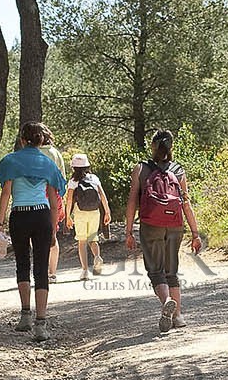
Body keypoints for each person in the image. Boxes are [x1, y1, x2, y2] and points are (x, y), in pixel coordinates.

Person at [124, 129, 203, 335]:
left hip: (151, 225)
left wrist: (129, 230)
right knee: (171, 270)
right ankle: (178, 316)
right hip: (175, 224)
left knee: (156, 271)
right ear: (171, 147)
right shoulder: (178, 170)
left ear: (153, 146)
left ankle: (167, 301)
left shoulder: (141, 169)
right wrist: (195, 233)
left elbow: (133, 199)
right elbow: (186, 203)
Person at [0, 122, 68, 343]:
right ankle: (41, 324)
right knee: (41, 268)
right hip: (42, 216)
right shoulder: (48, 164)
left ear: (22, 139)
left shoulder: (10, 161)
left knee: (22, 265)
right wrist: (54, 229)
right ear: (40, 141)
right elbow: (55, 202)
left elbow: (6, 193)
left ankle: (25, 315)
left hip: (19, 215)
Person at [66, 153, 112, 281]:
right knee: (93, 238)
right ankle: (97, 256)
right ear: (87, 166)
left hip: (80, 213)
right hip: (94, 212)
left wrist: (68, 217)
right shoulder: (94, 178)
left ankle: (85, 270)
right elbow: (102, 196)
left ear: (73, 167)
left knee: (82, 242)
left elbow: (69, 200)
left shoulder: (73, 181)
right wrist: (107, 212)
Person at [37, 128, 69, 282]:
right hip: (55, 196)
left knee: (36, 236)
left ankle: (42, 270)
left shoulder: (34, 153)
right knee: (52, 234)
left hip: (37, 196)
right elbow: (62, 177)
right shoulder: (56, 153)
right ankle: (53, 272)